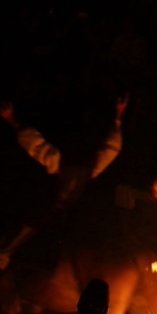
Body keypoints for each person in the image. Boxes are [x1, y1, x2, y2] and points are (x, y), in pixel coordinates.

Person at [0, 94, 128, 271]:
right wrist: (12, 120)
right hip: (52, 206)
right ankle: (5, 255)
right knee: (33, 221)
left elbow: (112, 147)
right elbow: (36, 145)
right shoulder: (62, 163)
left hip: (70, 212)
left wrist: (118, 117)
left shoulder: (86, 168)